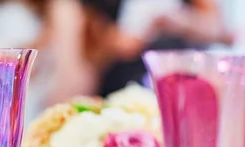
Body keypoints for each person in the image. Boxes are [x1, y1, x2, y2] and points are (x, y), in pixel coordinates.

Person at [80, 0, 234, 96]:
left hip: (181, 88)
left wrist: (181, 21)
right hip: (120, 87)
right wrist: (115, 41)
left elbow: (219, 31)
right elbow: (86, 42)